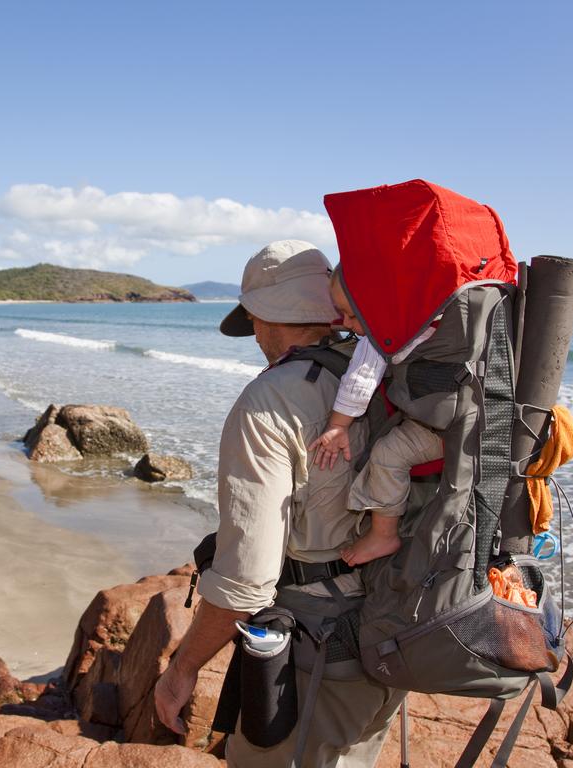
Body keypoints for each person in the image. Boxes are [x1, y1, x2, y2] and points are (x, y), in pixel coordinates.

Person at [154, 240, 405, 768]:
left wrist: (182, 668)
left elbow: (248, 580)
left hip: (319, 653)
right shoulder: (381, 375)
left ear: (263, 316)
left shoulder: (272, 400)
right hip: (392, 632)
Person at [307, 270, 443, 566]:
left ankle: (384, 535)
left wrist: (337, 426)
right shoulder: (439, 311)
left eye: (351, 315)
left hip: (439, 431)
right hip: (480, 422)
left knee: (387, 453)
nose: (345, 324)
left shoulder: (385, 328)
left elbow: (360, 379)